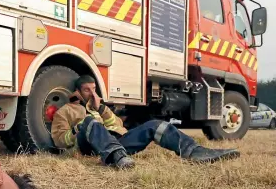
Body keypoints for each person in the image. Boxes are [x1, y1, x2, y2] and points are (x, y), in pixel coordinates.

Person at [51, 75, 240, 169]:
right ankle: (117, 157)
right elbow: (60, 140)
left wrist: (100, 108)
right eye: (87, 90)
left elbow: (119, 126)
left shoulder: (101, 107)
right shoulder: (65, 111)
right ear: (76, 92)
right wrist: (80, 125)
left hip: (117, 145)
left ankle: (195, 152)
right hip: (89, 146)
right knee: (90, 122)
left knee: (156, 125)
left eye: (94, 89)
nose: (93, 94)